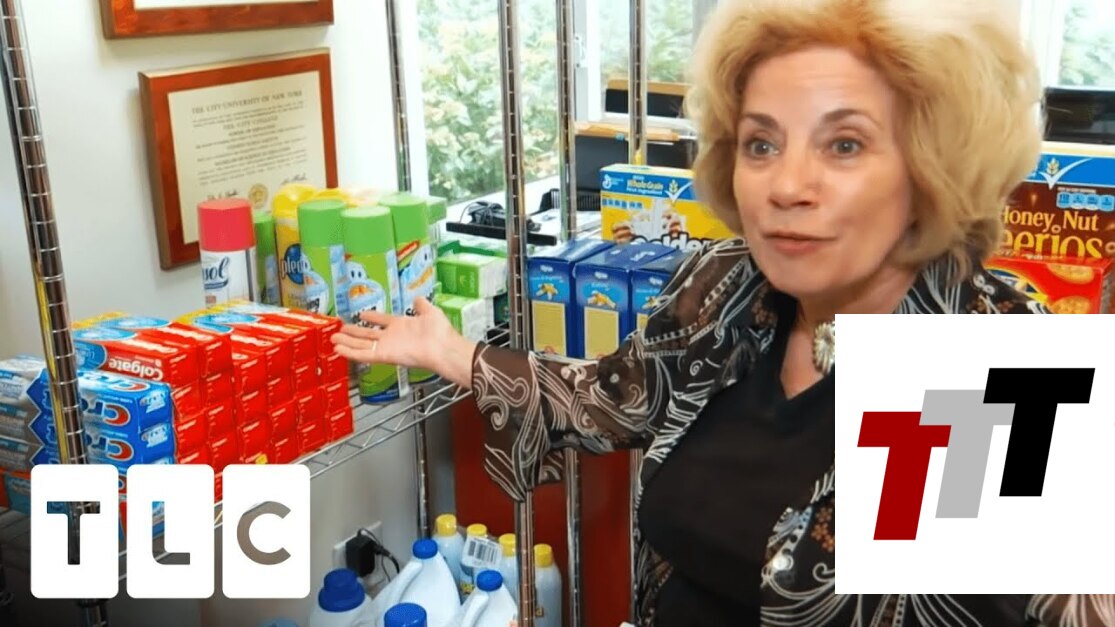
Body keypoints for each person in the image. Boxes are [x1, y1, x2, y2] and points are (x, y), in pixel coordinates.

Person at [333, 0, 1112, 625]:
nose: (786, 186)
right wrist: (452, 352)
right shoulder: (726, 286)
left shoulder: (989, 364)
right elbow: (615, 398)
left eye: (843, 145)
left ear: (929, 167)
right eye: (760, 144)